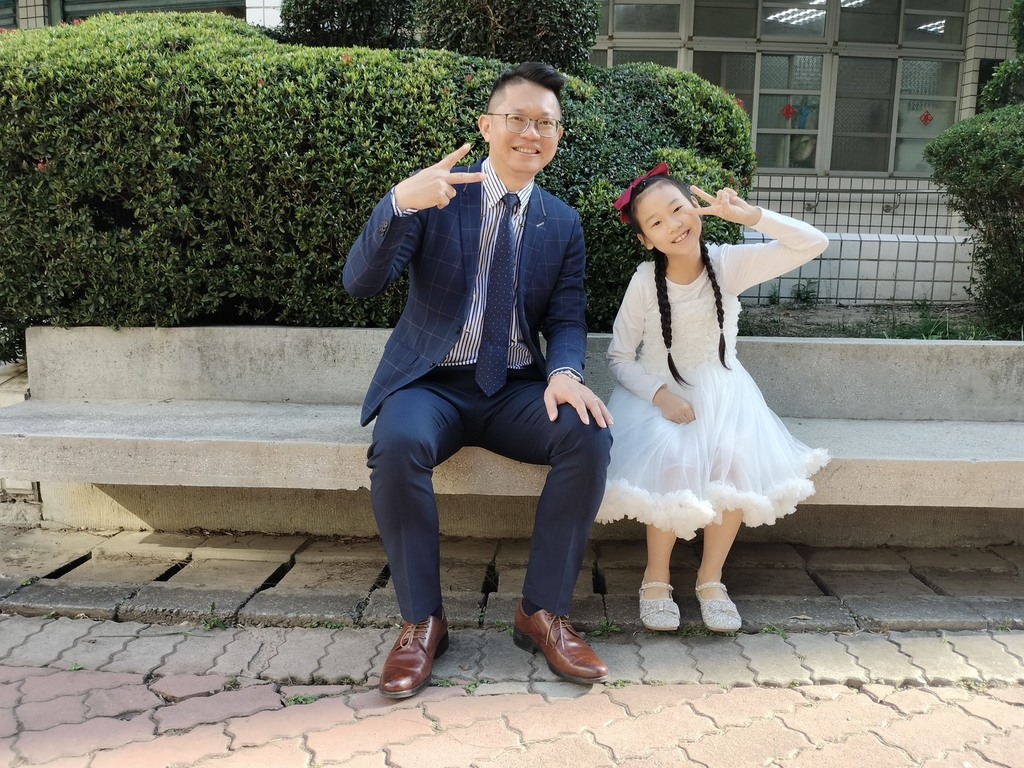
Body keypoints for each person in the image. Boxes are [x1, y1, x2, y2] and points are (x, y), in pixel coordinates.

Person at [343, 62, 613, 699]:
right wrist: (397, 203)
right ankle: (422, 622)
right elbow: (361, 283)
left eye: (545, 123)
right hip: (431, 383)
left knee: (588, 435)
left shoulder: (562, 222)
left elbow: (566, 316)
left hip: (516, 387)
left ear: (558, 136)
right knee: (398, 445)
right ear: (488, 126)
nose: (531, 133)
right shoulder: (438, 196)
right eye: (518, 118)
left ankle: (542, 612)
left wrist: (565, 372)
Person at [596, 163, 830, 633]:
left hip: (725, 393)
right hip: (661, 393)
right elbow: (619, 357)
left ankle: (711, 579)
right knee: (673, 459)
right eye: (656, 222)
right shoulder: (645, 282)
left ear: (695, 207)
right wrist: (660, 396)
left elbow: (814, 243)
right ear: (645, 239)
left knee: (734, 461)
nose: (673, 225)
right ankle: (656, 577)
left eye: (677, 209)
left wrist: (752, 217)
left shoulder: (727, 264)